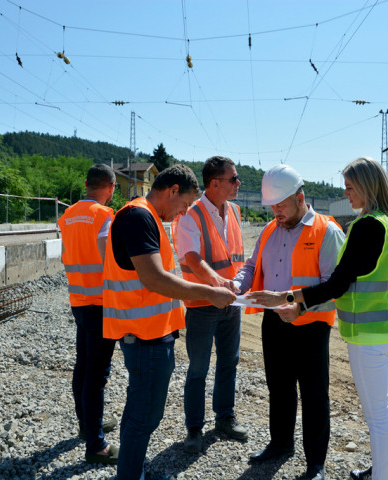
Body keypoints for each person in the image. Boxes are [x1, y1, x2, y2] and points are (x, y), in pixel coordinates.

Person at [247, 156, 388, 480]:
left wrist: (289, 298)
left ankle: (379, 476)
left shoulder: (366, 225)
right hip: (380, 328)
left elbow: (336, 283)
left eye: (350, 187)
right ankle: (382, 471)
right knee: (381, 412)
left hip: (363, 331)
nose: (346, 194)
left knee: (372, 414)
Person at [102, 164, 237, 480]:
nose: (184, 212)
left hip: (150, 333)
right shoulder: (138, 217)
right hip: (144, 335)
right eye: (185, 204)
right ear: (173, 190)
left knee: (141, 412)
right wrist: (210, 291)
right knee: (144, 416)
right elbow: (154, 279)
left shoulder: (145, 216)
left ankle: (131, 471)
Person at [233, 164, 345, 480]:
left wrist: (300, 307)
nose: (276, 212)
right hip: (275, 323)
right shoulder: (269, 230)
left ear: (300, 197)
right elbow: (252, 265)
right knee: (279, 388)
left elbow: (334, 286)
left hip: (311, 324)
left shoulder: (327, 231)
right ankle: (281, 444)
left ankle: (316, 463)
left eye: (281, 205)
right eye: (272, 206)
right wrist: (236, 285)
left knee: (313, 394)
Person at [171, 156, 248, 453]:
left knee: (229, 363)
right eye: (234, 179)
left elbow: (237, 256)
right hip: (203, 303)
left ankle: (225, 418)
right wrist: (217, 282)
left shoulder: (236, 211)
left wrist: (240, 285)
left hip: (232, 303)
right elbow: (191, 256)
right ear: (214, 184)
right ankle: (194, 428)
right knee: (198, 368)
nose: (238, 183)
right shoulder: (191, 214)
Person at [57, 164, 119, 464]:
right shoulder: (105, 216)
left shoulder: (67, 216)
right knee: (96, 376)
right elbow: (111, 259)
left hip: (78, 299)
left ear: (86, 184)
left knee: (83, 367)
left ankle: (87, 426)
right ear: (111, 187)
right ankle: (96, 445)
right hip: (102, 303)